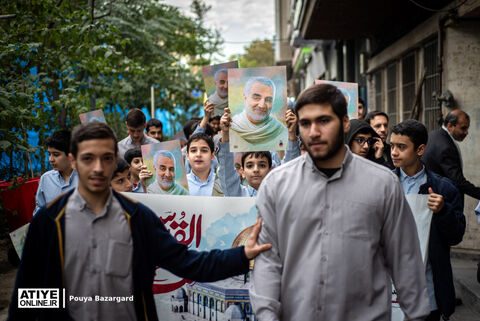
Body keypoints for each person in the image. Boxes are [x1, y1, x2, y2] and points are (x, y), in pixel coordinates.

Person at [8, 121, 271, 321]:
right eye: (88, 158)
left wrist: (241, 255)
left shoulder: (138, 218)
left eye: (106, 158)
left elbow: (190, 264)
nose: (98, 167)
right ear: (74, 161)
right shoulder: (48, 222)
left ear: (115, 163)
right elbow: (28, 295)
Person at [249, 84, 430, 320]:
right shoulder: (275, 185)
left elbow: (405, 260)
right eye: (305, 123)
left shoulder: (383, 185)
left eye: (323, 121)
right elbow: (268, 262)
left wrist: (416, 315)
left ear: (345, 122)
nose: (313, 131)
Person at [390, 119, 465, 321]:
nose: (394, 152)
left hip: (428, 292)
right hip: (388, 292)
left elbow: (456, 235)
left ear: (420, 149)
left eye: (401, 147)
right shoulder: (384, 184)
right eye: (392, 146)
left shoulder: (443, 188)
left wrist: (443, 210)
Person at [422, 109, 480, 205]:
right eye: (463, 128)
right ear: (450, 126)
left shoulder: (434, 135)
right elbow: (458, 181)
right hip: (443, 203)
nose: (466, 133)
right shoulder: (445, 146)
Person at [230, 76, 287, 150]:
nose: (262, 105)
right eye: (256, 98)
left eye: (268, 100)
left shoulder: (279, 130)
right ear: (245, 98)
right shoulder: (232, 127)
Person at [33, 130, 78, 216]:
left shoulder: (85, 179)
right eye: (49, 154)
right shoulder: (46, 179)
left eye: (56, 154)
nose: (51, 159)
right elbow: (39, 209)